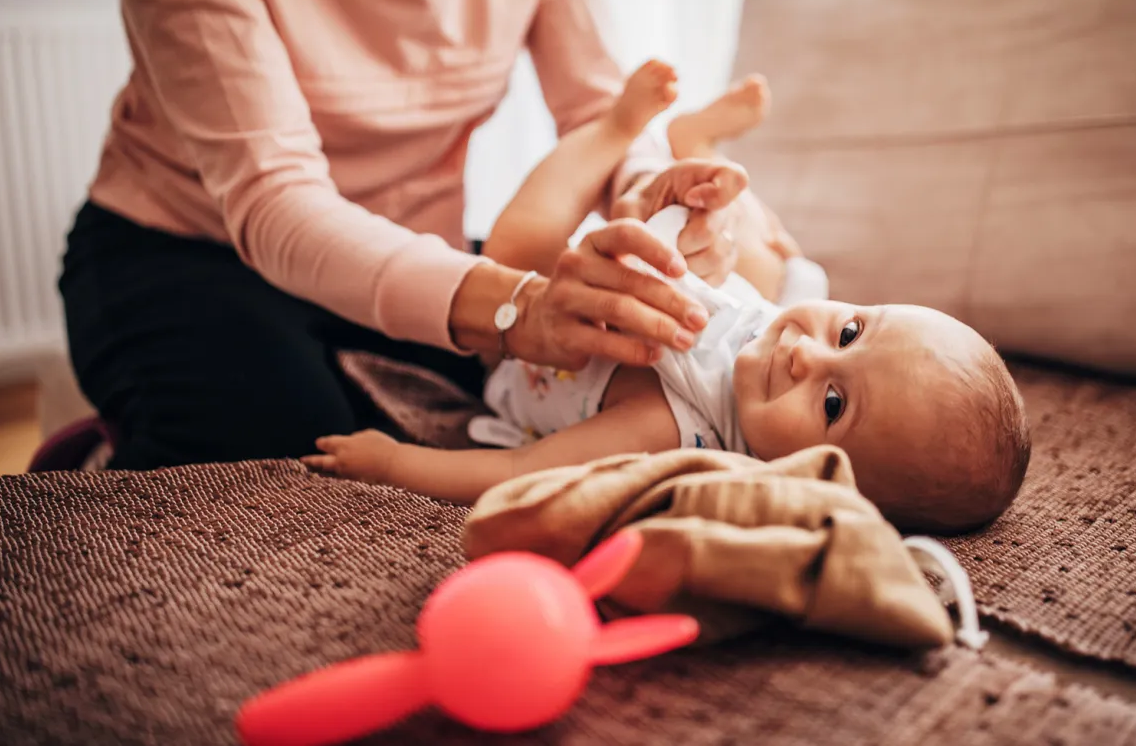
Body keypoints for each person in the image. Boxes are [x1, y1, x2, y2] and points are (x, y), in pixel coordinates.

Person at [60, 0, 794, 471]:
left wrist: (651, 195)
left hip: (416, 244)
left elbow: (600, 109)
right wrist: (519, 308)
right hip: (183, 247)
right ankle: (97, 453)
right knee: (288, 447)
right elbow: (273, 198)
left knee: (515, 413)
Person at [306, 62, 1034, 533]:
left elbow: (518, 476)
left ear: (819, 480)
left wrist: (392, 463)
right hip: (663, 285)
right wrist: (683, 207)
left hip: (523, 355)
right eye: (851, 331)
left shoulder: (671, 429)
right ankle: (696, 149)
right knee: (757, 246)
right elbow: (771, 301)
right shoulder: (779, 329)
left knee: (514, 252)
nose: (802, 349)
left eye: (833, 404)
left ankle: (614, 131)